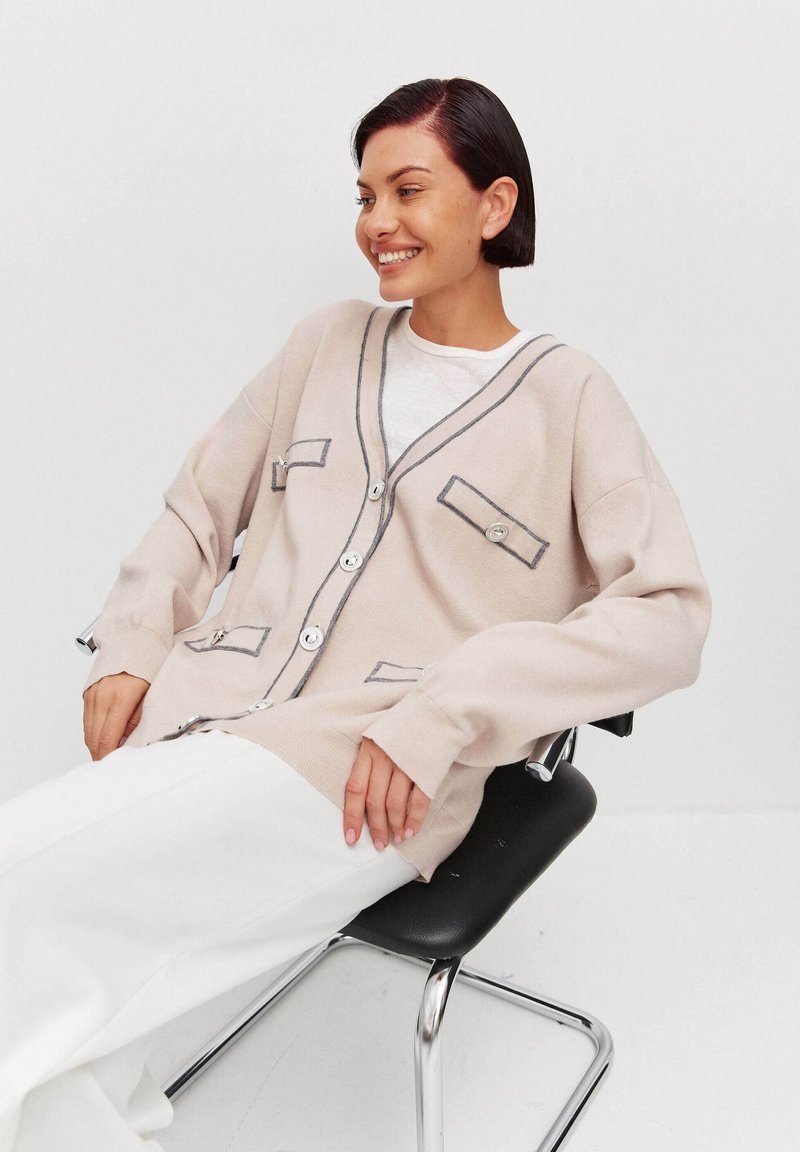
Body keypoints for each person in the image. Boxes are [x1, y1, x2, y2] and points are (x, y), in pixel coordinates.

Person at [0, 78, 710, 1150]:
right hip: (200, 718)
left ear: (494, 204)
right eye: (365, 195)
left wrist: (450, 708)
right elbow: (200, 509)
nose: (378, 221)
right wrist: (133, 637)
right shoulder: (323, 344)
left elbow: (669, 616)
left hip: (369, 772)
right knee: (69, 998)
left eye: (409, 189)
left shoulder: (568, 398)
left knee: (24, 884)